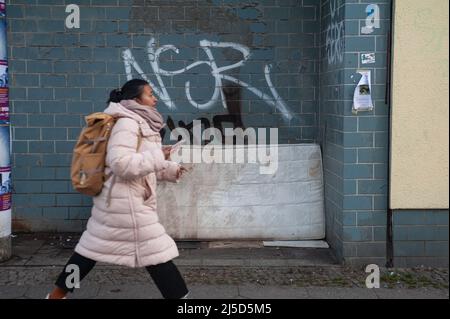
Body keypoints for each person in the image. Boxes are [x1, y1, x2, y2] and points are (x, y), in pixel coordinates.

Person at [46, 79, 190, 299]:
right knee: (157, 255)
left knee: (88, 253)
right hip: (128, 206)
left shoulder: (139, 121)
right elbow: (122, 164)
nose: (155, 99)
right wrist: (159, 155)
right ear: (135, 99)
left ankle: (57, 295)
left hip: (118, 202)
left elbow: (141, 165)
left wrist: (170, 168)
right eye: (150, 94)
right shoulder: (128, 123)